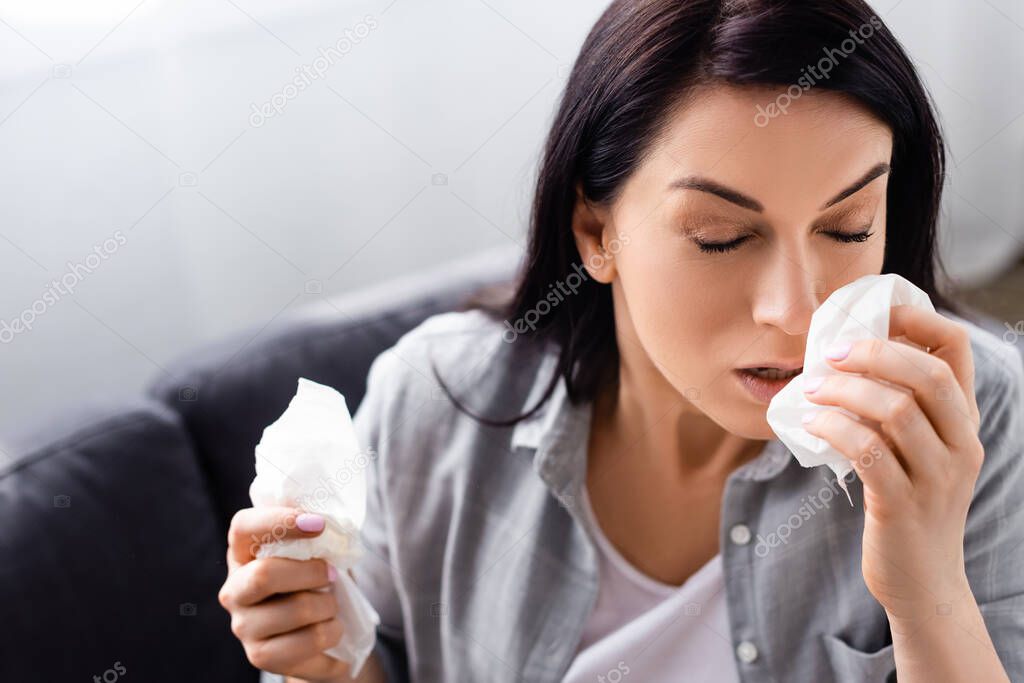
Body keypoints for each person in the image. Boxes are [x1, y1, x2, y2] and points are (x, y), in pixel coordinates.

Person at [218, 0, 1024, 680]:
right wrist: (329, 657)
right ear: (595, 231)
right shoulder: (434, 407)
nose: (795, 307)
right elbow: (380, 655)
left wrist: (927, 592)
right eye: (720, 237)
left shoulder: (975, 416)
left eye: (847, 227)